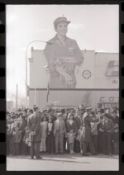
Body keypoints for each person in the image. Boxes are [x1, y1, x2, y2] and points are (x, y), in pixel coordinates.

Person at [44, 16, 84, 88]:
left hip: (71, 79)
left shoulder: (73, 42)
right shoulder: (50, 43)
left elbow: (80, 58)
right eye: (60, 26)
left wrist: (63, 59)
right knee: (56, 99)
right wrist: (65, 74)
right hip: (56, 80)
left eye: (65, 26)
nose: (63, 28)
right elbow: (52, 63)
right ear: (56, 29)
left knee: (71, 98)